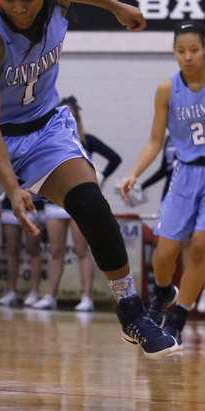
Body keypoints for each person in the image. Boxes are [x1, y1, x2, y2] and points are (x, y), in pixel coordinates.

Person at [0, 0, 178, 358]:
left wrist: (116, 8)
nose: (20, 5)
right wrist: (13, 188)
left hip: (45, 130)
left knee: (93, 207)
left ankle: (131, 311)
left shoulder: (56, 5)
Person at [121, 21, 205, 350]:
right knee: (164, 254)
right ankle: (162, 294)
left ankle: (177, 318)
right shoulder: (167, 89)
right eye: (181, 51)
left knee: (200, 246)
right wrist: (134, 173)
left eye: (194, 50)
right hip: (184, 173)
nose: (187, 56)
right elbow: (156, 140)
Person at [34, 96, 123, 312]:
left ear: (77, 118)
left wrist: (100, 176)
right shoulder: (50, 140)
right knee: (56, 251)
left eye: (72, 116)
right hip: (56, 202)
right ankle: (50, 296)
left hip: (78, 202)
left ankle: (86, 298)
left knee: (83, 250)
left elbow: (115, 158)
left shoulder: (86, 140)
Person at [0, 196, 45, 308]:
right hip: (11, 203)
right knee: (12, 249)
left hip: (34, 203)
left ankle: (34, 292)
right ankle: (11, 291)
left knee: (33, 248)